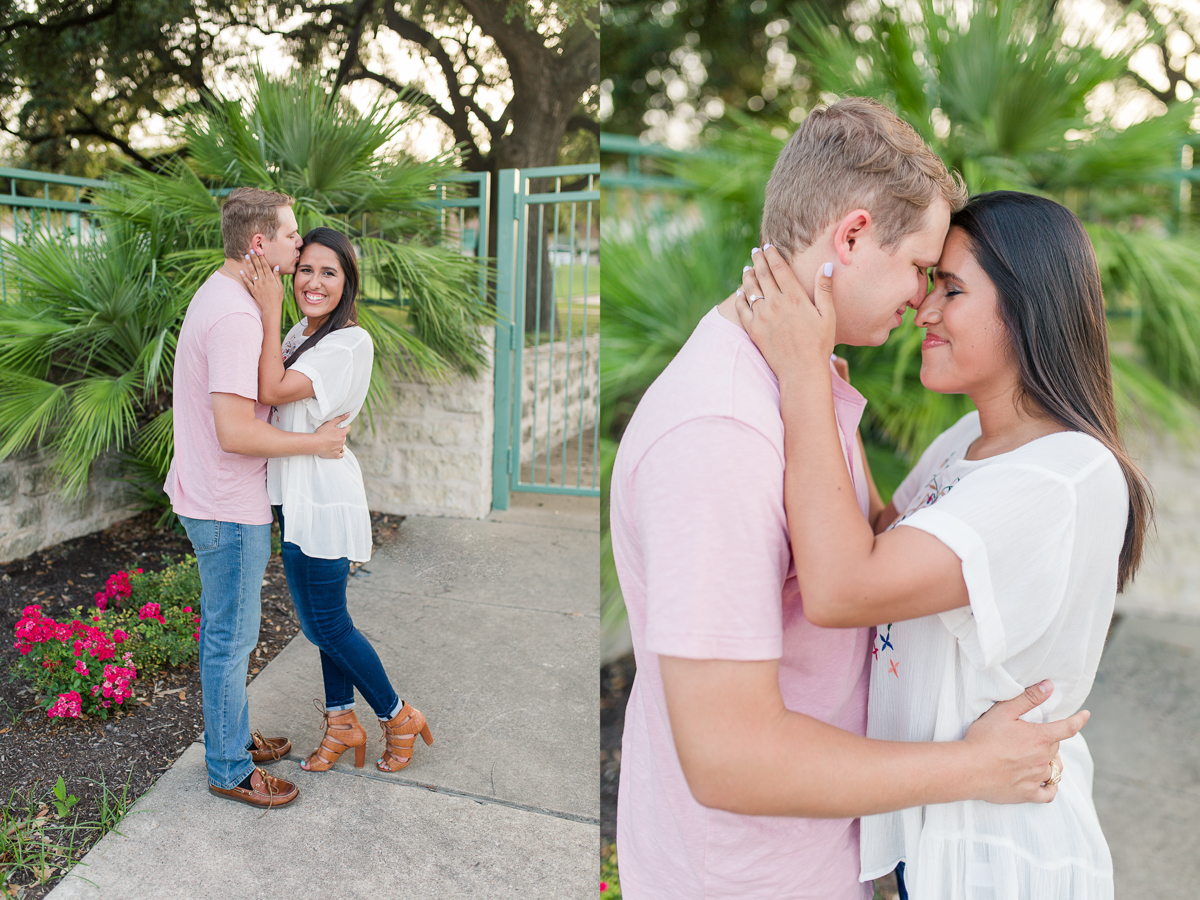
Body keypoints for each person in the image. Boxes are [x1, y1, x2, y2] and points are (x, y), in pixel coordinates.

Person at [610, 98, 1088, 900]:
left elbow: (872, 551)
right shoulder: (720, 432)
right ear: (854, 235)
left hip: (808, 858)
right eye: (918, 269)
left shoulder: (803, 378)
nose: (921, 301)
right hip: (748, 878)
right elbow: (728, 754)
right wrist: (974, 767)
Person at [736, 190, 1149, 898]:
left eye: (951, 290)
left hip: (997, 854)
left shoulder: (1060, 477)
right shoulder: (972, 441)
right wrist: (825, 381)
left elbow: (842, 588)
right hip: (928, 840)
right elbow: (876, 541)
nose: (925, 310)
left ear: (1027, 308)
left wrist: (803, 375)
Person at [166, 188, 351, 809]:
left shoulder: (226, 297)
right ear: (258, 244)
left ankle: (233, 735)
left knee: (228, 631)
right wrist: (318, 445)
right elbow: (236, 430)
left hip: (215, 495)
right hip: (225, 502)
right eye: (291, 235)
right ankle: (229, 768)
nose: (300, 245)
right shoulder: (239, 317)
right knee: (231, 637)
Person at [236, 227, 433, 774]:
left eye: (329, 272)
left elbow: (272, 390)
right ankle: (342, 723)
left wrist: (268, 303)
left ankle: (398, 715)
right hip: (292, 494)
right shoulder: (302, 333)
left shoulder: (350, 341)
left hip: (322, 496)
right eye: (306, 270)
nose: (314, 282)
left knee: (325, 625)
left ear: (346, 283)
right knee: (323, 619)